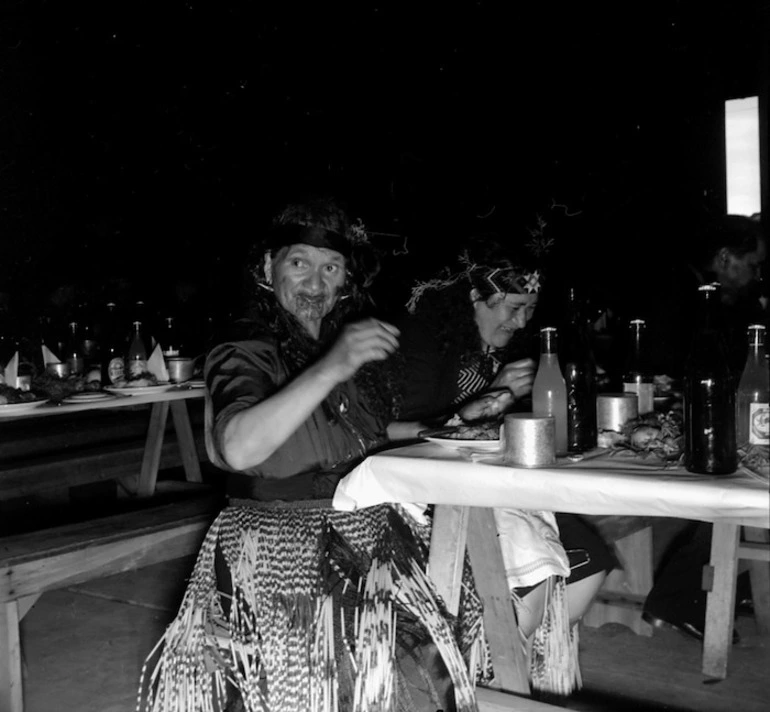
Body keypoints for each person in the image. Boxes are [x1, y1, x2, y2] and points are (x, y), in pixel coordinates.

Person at [137, 198, 486, 712]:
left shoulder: (334, 347)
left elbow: (365, 434)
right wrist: (333, 365)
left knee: (421, 676)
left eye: (331, 267)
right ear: (267, 267)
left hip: (366, 532)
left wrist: (455, 424)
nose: (316, 283)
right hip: (280, 546)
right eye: (299, 263)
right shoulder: (244, 346)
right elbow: (236, 446)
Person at [388, 234, 616, 696]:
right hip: (424, 486)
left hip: (488, 478)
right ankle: (490, 674)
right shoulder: (425, 345)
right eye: (511, 306)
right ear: (475, 297)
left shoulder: (501, 345)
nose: (521, 319)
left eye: (530, 308)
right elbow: (393, 427)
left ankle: (512, 667)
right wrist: (492, 392)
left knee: (591, 563)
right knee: (533, 562)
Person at [640, 213, 767, 643]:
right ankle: (675, 596)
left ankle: (745, 581)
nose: (754, 276)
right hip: (668, 416)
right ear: (724, 257)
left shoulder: (721, 299)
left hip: (700, 412)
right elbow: (661, 364)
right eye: (751, 265)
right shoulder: (678, 292)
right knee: (732, 477)